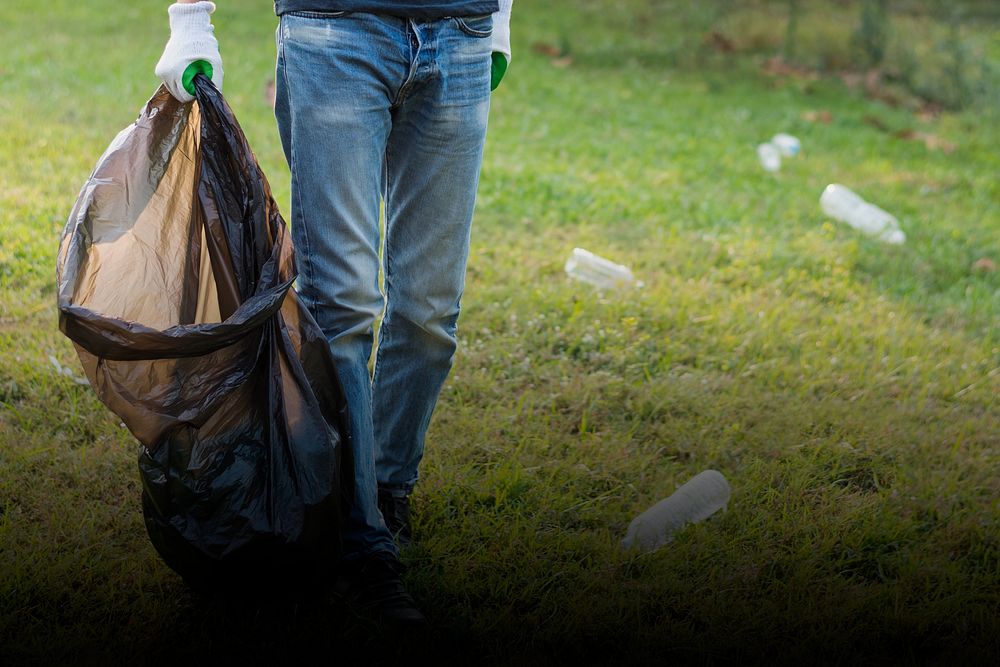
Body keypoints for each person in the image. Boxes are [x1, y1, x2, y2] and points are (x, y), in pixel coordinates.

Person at [155, 0, 513, 625]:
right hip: (335, 32)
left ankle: (385, 492)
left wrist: (500, 18)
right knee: (343, 303)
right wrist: (191, 20)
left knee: (430, 314)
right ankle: (362, 539)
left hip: (461, 38)